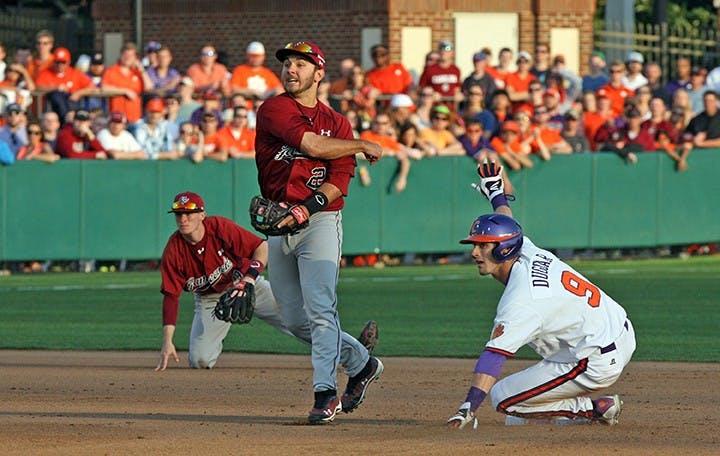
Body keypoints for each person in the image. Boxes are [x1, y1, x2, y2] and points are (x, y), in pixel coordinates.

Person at [446, 160, 636, 428]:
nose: (475, 252)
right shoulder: (524, 248)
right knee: (521, 408)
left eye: (483, 246)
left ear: (503, 250)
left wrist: (468, 407)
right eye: (474, 245)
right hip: (618, 330)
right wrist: (496, 192)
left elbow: (494, 356)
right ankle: (559, 407)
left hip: (595, 360)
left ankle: (594, 408)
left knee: (504, 399)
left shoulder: (522, 300)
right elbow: (507, 221)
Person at [255, 40, 384, 424]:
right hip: (278, 223)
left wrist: (305, 209)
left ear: (319, 73)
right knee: (295, 320)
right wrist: (361, 143)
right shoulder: (275, 108)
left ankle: (325, 394)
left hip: (321, 222)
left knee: (322, 309)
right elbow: (310, 144)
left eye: (300, 64)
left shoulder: (338, 123)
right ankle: (361, 363)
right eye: (288, 64)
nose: (291, 69)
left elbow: (338, 182)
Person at [156, 191, 297, 370]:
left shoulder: (219, 227)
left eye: (189, 213)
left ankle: (336, 350)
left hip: (245, 284)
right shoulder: (174, 250)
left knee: (297, 320)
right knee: (200, 360)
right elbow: (170, 296)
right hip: (210, 299)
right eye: (179, 214)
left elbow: (261, 247)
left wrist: (249, 279)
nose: (183, 219)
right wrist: (167, 341)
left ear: (201, 215)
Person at [35, 48, 97, 121]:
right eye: (57, 62)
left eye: (63, 62)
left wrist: (79, 93)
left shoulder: (75, 73)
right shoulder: (46, 73)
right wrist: (56, 88)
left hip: (73, 107)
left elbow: (92, 87)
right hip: (54, 112)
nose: (60, 65)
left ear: (68, 62)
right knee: (56, 95)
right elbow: (37, 87)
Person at [101, 42, 155, 124]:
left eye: (131, 55)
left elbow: (149, 88)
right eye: (125, 55)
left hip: (135, 118)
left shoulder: (138, 72)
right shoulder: (111, 70)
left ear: (135, 57)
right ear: (121, 55)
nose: (127, 58)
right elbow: (104, 88)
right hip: (116, 119)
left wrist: (142, 70)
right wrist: (125, 91)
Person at [419, 40, 463, 111]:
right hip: (434, 108)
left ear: (452, 52)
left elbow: (457, 88)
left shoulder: (456, 70)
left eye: (447, 49)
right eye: (441, 48)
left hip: (451, 109)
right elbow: (421, 88)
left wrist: (459, 95)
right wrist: (431, 94)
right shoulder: (430, 69)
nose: (444, 52)